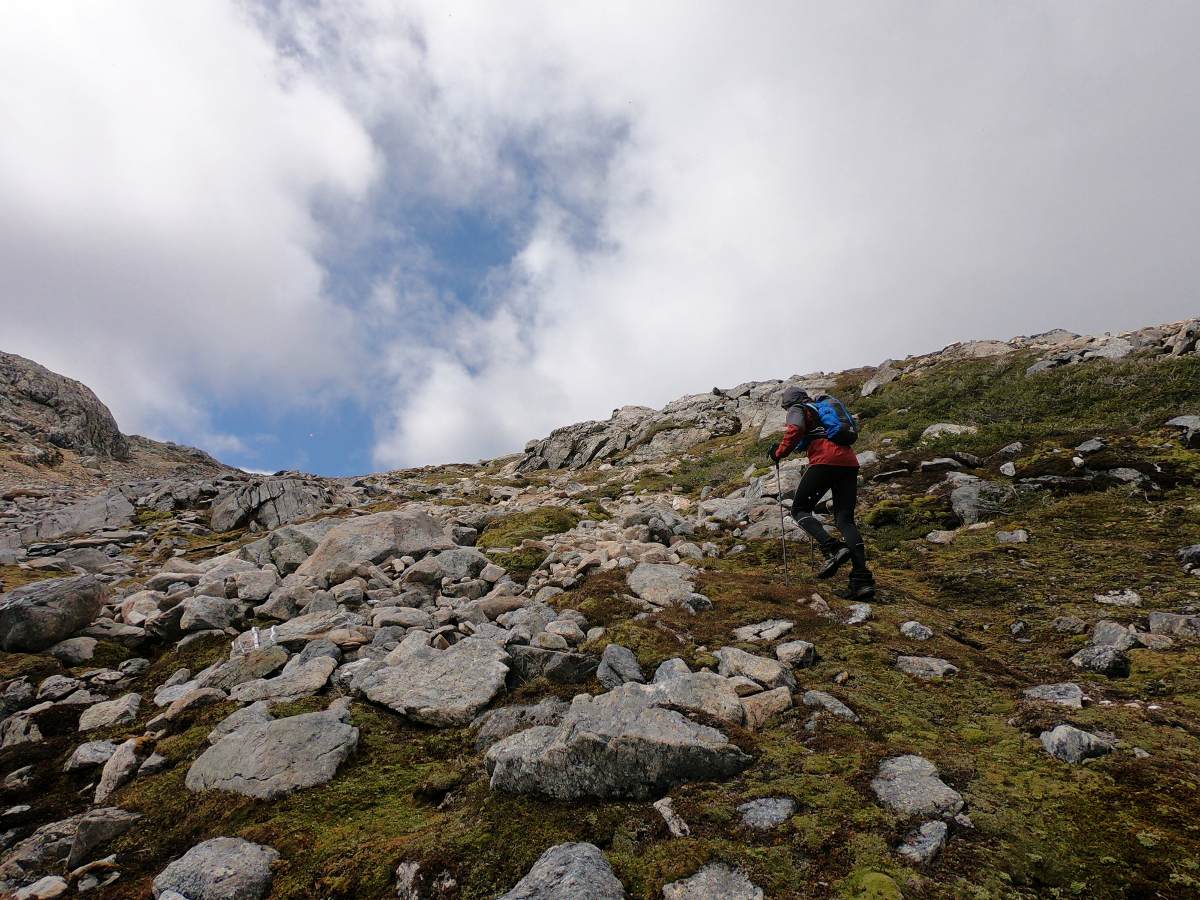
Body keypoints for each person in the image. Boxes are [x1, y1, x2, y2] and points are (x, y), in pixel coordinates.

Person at [767, 385, 875, 599]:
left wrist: (778, 453)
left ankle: (832, 548)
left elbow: (795, 430)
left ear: (789, 402)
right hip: (849, 462)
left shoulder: (798, 408)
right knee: (845, 520)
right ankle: (862, 581)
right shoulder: (821, 411)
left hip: (825, 460)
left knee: (799, 510)